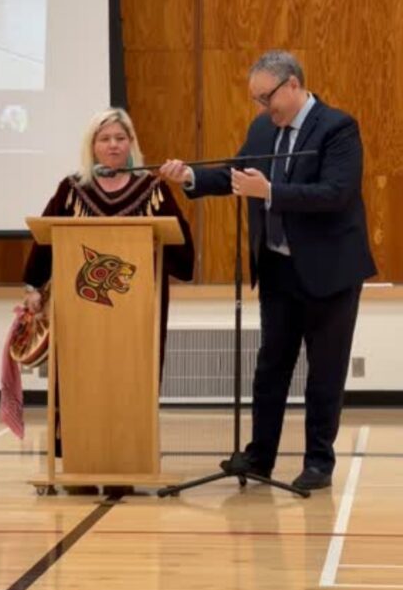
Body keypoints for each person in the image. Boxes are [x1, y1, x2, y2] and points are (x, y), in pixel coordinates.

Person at [160, 50, 376, 491]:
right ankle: (260, 457)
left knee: (325, 372)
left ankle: (318, 463)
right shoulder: (263, 129)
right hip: (278, 269)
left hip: (330, 272)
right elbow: (237, 175)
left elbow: (336, 193)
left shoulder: (338, 128)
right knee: (271, 367)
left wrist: (271, 191)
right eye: (257, 99)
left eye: (266, 98)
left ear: (292, 84)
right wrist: (190, 178)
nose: (262, 107)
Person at [22, 106, 195, 495]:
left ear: (131, 144)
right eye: (105, 139)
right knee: (80, 381)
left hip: (137, 315)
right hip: (80, 315)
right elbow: (45, 243)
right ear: (92, 145)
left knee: (131, 380)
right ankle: (81, 463)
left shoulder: (152, 190)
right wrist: (33, 286)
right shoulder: (72, 190)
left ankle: (125, 465)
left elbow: (182, 253)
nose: (113, 145)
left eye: (120, 138)